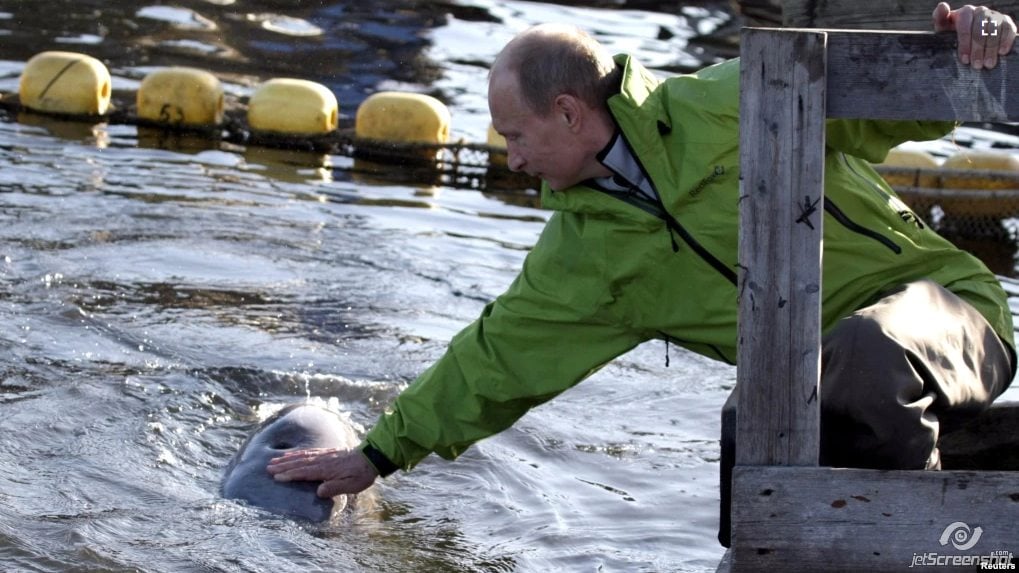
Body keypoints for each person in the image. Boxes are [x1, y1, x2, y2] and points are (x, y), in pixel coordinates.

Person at [267, 3, 1018, 503]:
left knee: (863, 351)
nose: (511, 158)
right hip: (813, 376)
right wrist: (376, 455)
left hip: (949, 317)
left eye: (514, 135)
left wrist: (965, 45)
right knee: (749, 421)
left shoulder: (729, 98)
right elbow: (491, 362)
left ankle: (929, 544)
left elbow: (891, 108)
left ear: (567, 111)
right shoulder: (581, 257)